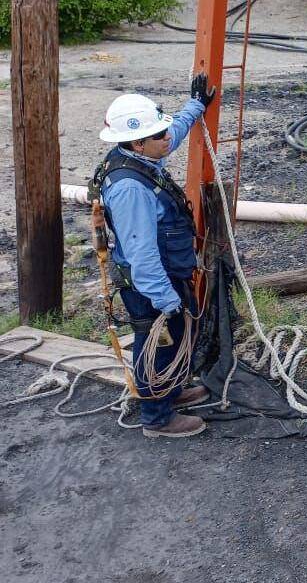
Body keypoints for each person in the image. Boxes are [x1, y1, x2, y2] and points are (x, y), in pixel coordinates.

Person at [92, 74, 217, 438]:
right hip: (151, 282)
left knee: (175, 339)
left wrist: (196, 106)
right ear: (138, 141)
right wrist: (165, 299)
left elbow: (172, 133)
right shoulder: (131, 189)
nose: (168, 138)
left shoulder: (136, 156)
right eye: (159, 135)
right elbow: (141, 253)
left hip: (164, 273)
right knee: (157, 344)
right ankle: (157, 418)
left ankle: (172, 391)